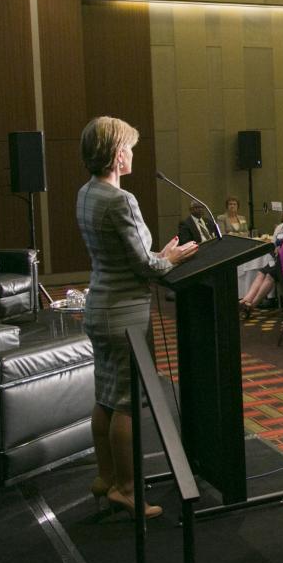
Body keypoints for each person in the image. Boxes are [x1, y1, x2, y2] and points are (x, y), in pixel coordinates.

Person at [76, 116, 198, 519]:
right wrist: (170, 259)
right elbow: (144, 267)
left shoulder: (86, 193)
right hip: (124, 311)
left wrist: (159, 257)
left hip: (99, 305)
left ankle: (106, 478)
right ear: (115, 153)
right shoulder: (120, 200)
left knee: (105, 397)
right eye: (127, 146)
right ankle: (128, 490)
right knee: (128, 401)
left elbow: (128, 257)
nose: (131, 153)